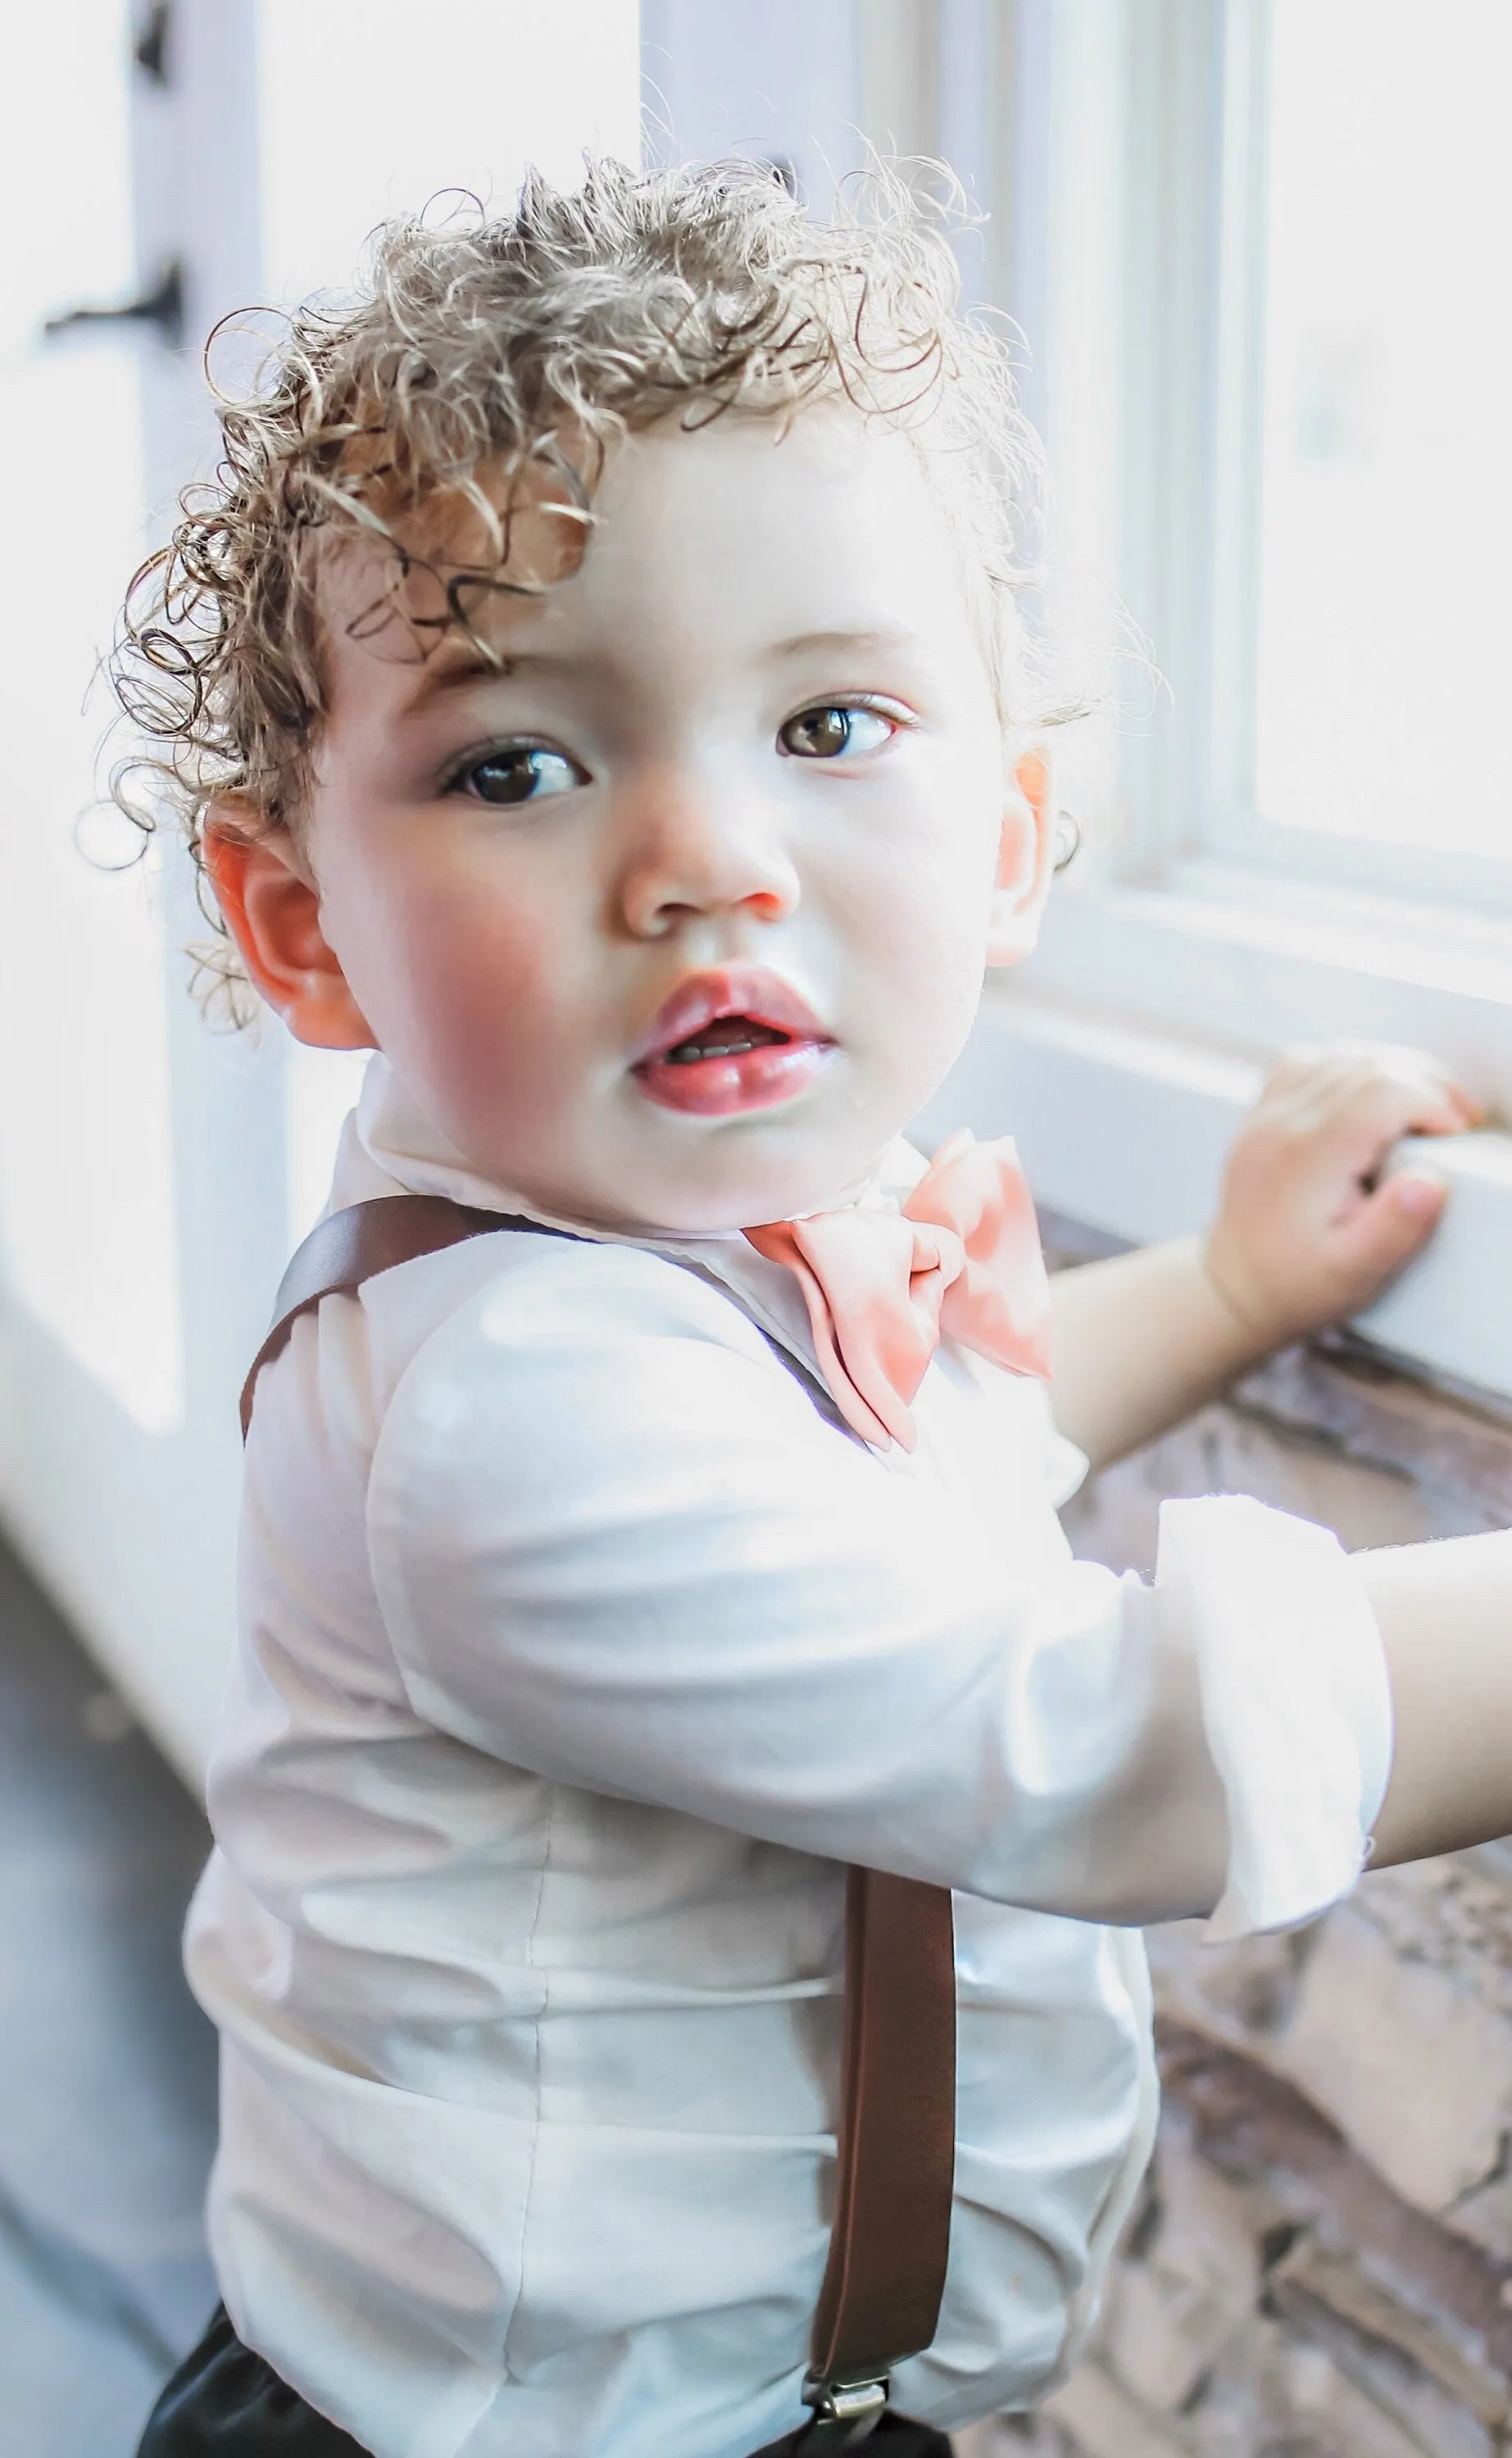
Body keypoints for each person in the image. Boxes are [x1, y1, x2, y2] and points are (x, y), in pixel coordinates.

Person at [118, 159, 1507, 2458]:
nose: (703, 859)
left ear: (1008, 833)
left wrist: (1242, 1281)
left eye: (832, 726)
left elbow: (937, 1455)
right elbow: (1101, 1732)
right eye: (519, 763)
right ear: (298, 928)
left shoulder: (723, 1254)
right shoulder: (500, 1405)